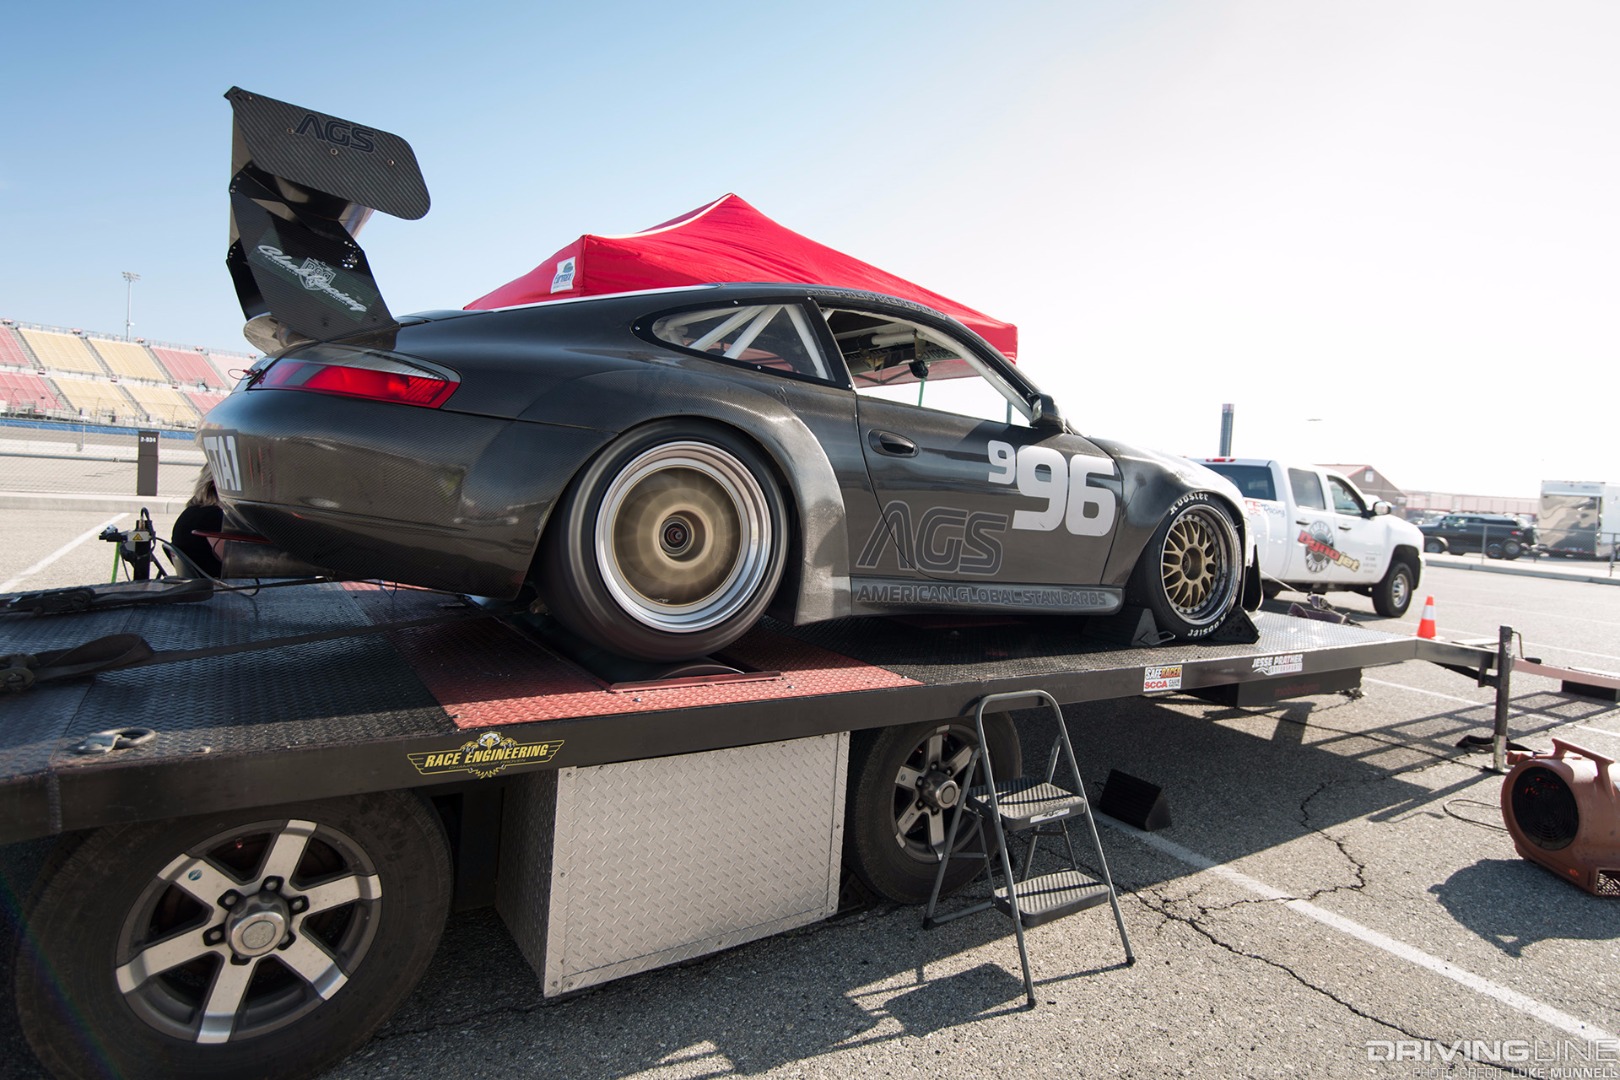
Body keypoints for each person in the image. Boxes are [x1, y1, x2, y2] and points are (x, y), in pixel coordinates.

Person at [171, 466, 225, 577]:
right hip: (213, 583)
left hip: (198, 581)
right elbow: (230, 559)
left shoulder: (193, 511)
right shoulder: (212, 516)